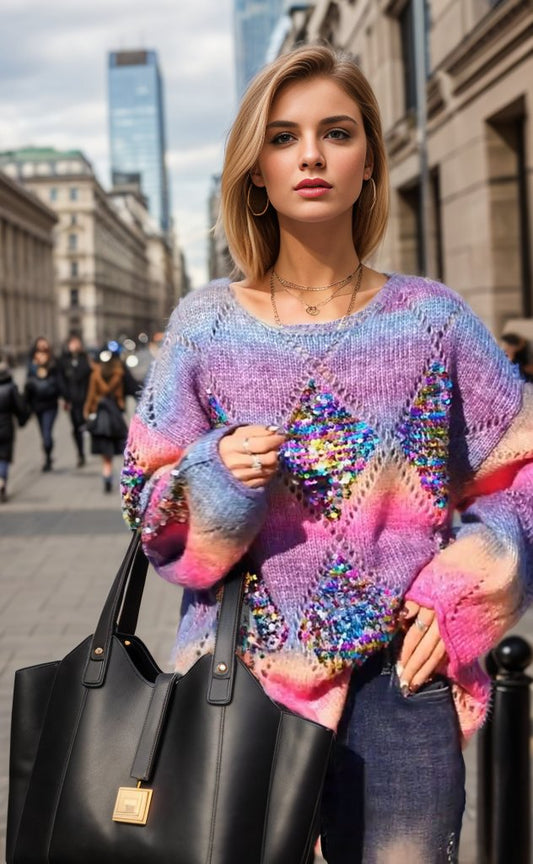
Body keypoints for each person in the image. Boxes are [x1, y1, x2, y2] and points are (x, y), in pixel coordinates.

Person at [120, 46, 533, 864]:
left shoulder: (433, 320)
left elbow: (519, 472)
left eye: (335, 132)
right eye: (283, 137)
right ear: (255, 171)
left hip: (400, 687)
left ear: (370, 159)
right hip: (234, 683)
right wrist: (214, 475)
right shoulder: (204, 325)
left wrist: (464, 589)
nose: (310, 154)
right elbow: (147, 506)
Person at [84, 346, 128, 493]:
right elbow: (93, 394)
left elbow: (98, 392)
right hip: (110, 415)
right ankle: (113, 476)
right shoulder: (115, 374)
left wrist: (88, 410)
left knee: (108, 453)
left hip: (106, 414)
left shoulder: (100, 375)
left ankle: (108, 474)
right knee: (113, 450)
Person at [25, 337, 60, 472]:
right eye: (39, 350)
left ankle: (48, 456)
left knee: (47, 433)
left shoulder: (53, 364)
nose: (41, 353)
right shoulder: (32, 366)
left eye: (44, 349)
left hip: (50, 404)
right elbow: (27, 385)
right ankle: (47, 455)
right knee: (43, 432)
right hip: (37, 405)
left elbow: (58, 382)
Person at [58, 334, 93, 467]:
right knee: (76, 427)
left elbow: (89, 375)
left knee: (86, 424)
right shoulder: (63, 360)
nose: (74, 345)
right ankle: (80, 453)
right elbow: (60, 380)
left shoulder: (85, 358)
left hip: (85, 399)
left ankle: (90, 448)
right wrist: (65, 397)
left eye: (76, 343)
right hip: (71, 400)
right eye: (72, 343)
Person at [0, 353, 30, 502]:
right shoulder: (10, 387)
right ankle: (2, 480)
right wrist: (22, 420)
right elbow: (20, 408)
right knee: (4, 457)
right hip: (6, 427)